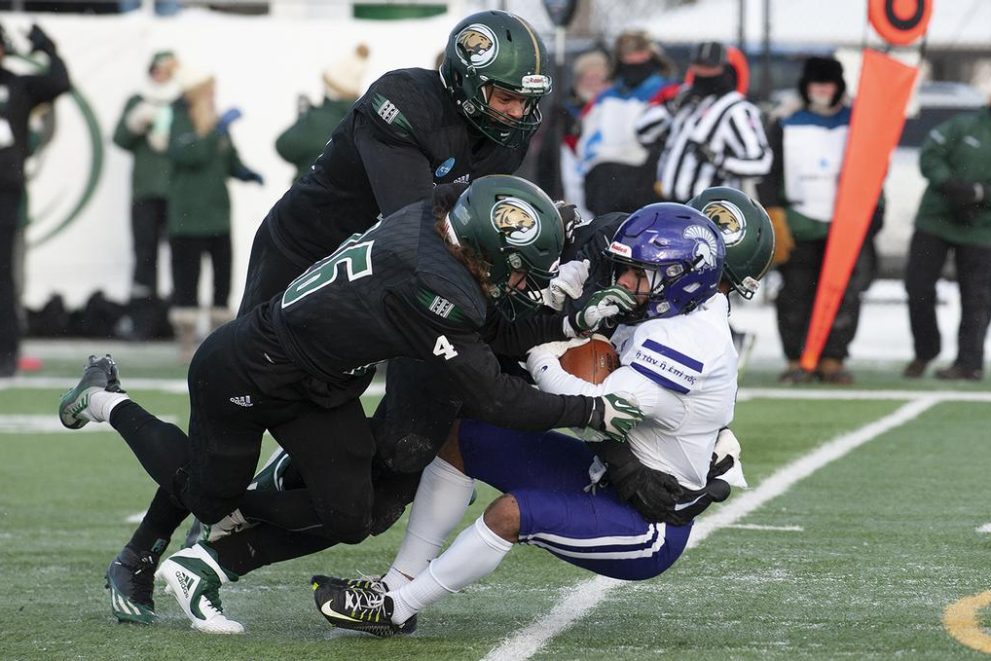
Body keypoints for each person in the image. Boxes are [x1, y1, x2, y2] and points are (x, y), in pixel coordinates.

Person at [96, 8, 556, 630]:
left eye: (523, 101)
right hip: (307, 262)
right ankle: (145, 545)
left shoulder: (505, 133)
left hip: (383, 285)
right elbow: (417, 234)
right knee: (239, 417)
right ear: (465, 80)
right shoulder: (404, 101)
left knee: (377, 468)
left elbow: (481, 225)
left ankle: (265, 519)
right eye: (504, 96)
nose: (514, 113)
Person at [58, 175, 643, 633]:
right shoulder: (436, 286)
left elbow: (488, 326)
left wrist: (565, 318)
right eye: (516, 276)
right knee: (210, 495)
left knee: (350, 514)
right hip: (250, 371)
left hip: (321, 384)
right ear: (483, 250)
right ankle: (106, 400)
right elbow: (495, 394)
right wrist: (591, 412)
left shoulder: (437, 222)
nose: (519, 287)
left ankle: (214, 550)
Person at [311, 202, 751, 636]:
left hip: (649, 524)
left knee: (509, 514)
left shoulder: (686, 338)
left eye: (638, 274)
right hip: (608, 474)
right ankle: (396, 583)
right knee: (461, 438)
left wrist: (541, 355)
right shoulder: (674, 311)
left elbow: (597, 411)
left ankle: (396, 609)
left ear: (681, 279)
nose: (623, 283)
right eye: (622, 269)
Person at [756, 56, 881, 384]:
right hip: (799, 219)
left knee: (844, 294)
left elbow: (874, 169)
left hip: (845, 221)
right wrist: (772, 211)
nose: (822, 90)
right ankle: (797, 357)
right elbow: (768, 171)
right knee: (796, 292)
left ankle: (832, 357)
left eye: (828, 84)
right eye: (816, 84)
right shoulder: (785, 121)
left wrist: (872, 216)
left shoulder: (857, 120)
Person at [166, 66, 263, 361]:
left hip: (218, 217)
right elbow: (189, 154)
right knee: (187, 281)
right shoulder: (180, 121)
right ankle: (186, 341)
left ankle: (219, 338)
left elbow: (227, 159)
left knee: (223, 279)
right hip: (188, 218)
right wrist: (213, 132)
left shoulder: (216, 123)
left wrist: (244, 171)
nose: (212, 96)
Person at [903, 97, 991, 381]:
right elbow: (931, 154)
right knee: (919, 286)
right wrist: (950, 185)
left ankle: (969, 361)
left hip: (982, 226)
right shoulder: (962, 125)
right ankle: (924, 350)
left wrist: (979, 195)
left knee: (977, 296)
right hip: (936, 219)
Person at [0, 23, 70, 377]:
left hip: (4, 190)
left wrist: (48, 48)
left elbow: (59, 82)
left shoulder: (18, 85)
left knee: (3, 275)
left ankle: (6, 353)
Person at [636, 41, 771, 204]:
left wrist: (718, 160)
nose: (703, 72)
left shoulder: (736, 109)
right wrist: (672, 107)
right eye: (698, 65)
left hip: (708, 210)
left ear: (725, 69)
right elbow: (642, 132)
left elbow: (761, 163)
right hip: (667, 203)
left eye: (710, 66)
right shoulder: (686, 101)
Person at [112, 51, 180, 340]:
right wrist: (134, 123)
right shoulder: (137, 100)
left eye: (165, 70)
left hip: (177, 191)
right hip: (145, 191)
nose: (158, 75)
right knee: (145, 257)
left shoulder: (182, 102)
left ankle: (177, 321)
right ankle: (142, 321)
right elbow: (119, 139)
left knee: (181, 255)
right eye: (155, 69)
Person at [575, 29, 676, 216]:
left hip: (649, 183)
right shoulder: (604, 97)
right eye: (628, 54)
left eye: (640, 53)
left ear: (651, 54)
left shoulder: (669, 93)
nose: (635, 60)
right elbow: (586, 143)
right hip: (605, 184)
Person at [275, 44, 369, 183]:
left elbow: (284, 146)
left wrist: (303, 121)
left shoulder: (316, 120)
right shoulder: (360, 120)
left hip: (309, 197)